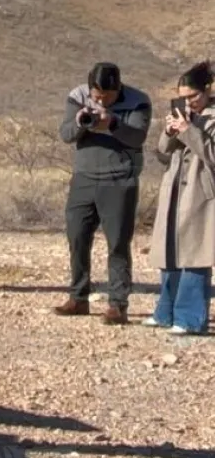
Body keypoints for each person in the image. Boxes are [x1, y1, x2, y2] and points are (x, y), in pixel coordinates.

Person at [55, 62, 152, 324]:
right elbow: (66, 134)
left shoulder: (138, 101)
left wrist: (113, 124)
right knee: (77, 238)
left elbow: (137, 138)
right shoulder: (78, 96)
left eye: (106, 97)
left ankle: (117, 304)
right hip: (84, 178)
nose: (100, 100)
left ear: (118, 88)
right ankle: (78, 298)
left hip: (119, 179)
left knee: (118, 243)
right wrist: (80, 123)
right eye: (96, 95)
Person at [146, 60, 215, 335]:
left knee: (196, 255)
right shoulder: (184, 115)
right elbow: (162, 152)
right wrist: (170, 131)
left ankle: (189, 318)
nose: (189, 102)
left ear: (207, 90)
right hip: (174, 192)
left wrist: (190, 131)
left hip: (201, 195)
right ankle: (165, 312)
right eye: (184, 97)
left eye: (193, 96)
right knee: (169, 254)